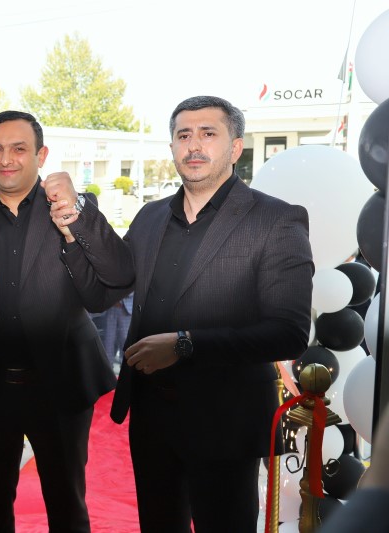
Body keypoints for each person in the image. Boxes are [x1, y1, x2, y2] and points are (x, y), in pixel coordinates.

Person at [58, 95, 314, 532]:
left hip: (225, 420)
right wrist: (70, 234)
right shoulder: (151, 216)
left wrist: (184, 345)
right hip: (152, 417)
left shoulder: (275, 219)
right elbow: (104, 293)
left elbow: (288, 332)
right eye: (183, 135)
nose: (194, 145)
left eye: (208, 134)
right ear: (173, 147)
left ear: (235, 147)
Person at [0, 110, 121, 532]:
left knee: (68, 508)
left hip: (60, 384)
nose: (6, 159)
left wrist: (77, 215)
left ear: (41, 155)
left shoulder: (71, 208)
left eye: (18, 149)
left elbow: (111, 285)